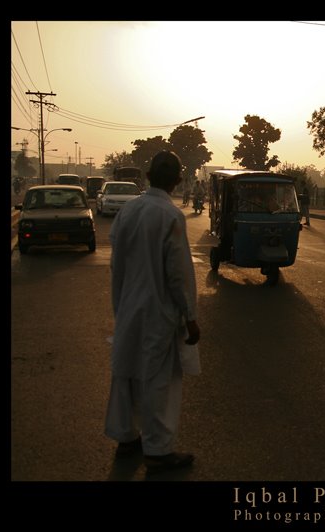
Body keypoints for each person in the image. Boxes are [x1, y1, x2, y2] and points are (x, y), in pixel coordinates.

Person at [104, 151, 201, 474]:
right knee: (159, 381)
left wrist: (120, 305)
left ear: (147, 176)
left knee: (126, 373)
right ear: (176, 181)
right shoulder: (169, 216)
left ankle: (126, 438)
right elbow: (178, 274)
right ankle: (158, 451)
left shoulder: (128, 211)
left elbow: (116, 266)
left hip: (129, 307)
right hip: (159, 312)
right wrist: (190, 316)